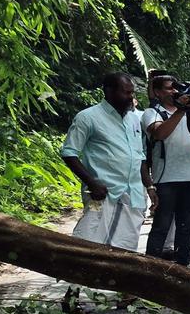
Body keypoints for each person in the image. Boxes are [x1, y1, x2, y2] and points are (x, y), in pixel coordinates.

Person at [61, 72, 155, 251]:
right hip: (104, 195)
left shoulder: (135, 119)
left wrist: (149, 186)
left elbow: (140, 156)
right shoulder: (87, 117)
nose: (131, 97)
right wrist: (92, 182)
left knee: (125, 252)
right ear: (109, 91)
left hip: (133, 195)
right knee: (91, 248)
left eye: (132, 93)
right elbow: (69, 153)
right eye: (126, 93)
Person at [141, 75, 190, 266]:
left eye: (175, 88)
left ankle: (183, 270)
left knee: (186, 228)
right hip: (166, 178)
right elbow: (159, 133)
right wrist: (181, 111)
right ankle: (150, 270)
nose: (174, 91)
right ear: (157, 92)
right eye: (168, 88)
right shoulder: (152, 113)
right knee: (161, 227)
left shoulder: (189, 113)